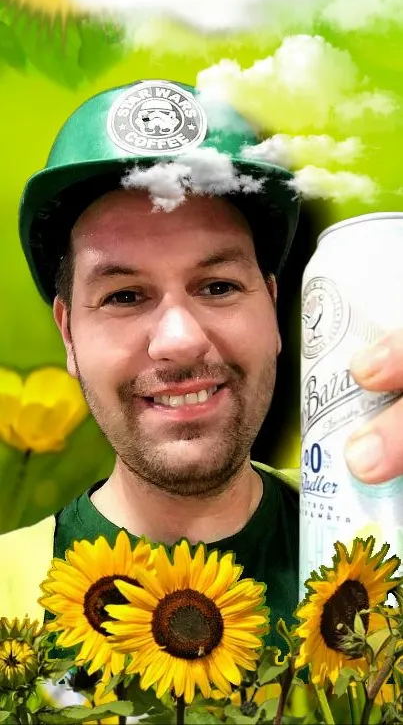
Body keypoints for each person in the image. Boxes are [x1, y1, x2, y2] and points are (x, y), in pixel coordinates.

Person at [1, 79, 402, 652]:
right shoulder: (6, 595)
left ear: (271, 303)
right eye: (124, 296)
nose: (180, 340)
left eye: (217, 286)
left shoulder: (378, 537)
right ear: (68, 333)